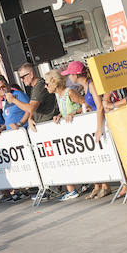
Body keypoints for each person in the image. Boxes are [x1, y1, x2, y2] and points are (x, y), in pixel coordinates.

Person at [61, 61, 112, 200]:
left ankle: (113, 186)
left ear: (76, 75)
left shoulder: (91, 84)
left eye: (69, 74)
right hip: (98, 121)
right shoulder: (85, 86)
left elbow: (99, 106)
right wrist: (75, 112)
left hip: (105, 122)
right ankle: (100, 186)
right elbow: (89, 106)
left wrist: (98, 128)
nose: (68, 78)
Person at [44, 69, 87, 201]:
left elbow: (86, 104)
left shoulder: (70, 92)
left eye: (47, 83)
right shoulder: (58, 95)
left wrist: (74, 113)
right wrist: (58, 116)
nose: (45, 86)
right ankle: (72, 190)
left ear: (55, 83)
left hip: (80, 133)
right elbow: (65, 111)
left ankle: (98, 185)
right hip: (69, 135)